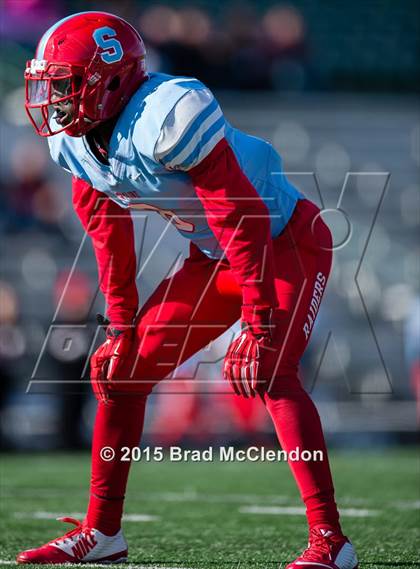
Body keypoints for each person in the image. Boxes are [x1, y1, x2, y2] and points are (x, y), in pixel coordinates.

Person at [18, 11, 358, 569]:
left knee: (269, 370)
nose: (54, 99)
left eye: (67, 83)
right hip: (215, 255)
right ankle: (104, 534)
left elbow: (241, 217)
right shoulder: (78, 146)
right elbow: (109, 236)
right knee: (121, 374)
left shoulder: (169, 113)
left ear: (112, 80)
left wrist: (259, 319)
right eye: (51, 84)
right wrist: (121, 327)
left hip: (285, 239)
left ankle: (331, 541)